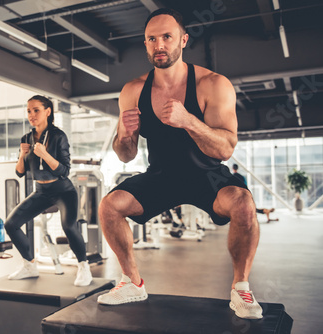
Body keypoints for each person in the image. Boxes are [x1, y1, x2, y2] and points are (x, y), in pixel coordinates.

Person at [96, 8, 263, 319]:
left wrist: (189, 121)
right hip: (160, 176)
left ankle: (240, 286)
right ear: (145, 44)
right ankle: (132, 282)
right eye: (151, 39)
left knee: (243, 204)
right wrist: (124, 133)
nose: (159, 44)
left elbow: (225, 149)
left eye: (167, 37)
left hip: (207, 175)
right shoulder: (133, 90)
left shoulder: (213, 84)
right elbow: (125, 155)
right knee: (109, 206)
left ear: (183, 40)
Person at [4, 95, 92, 286]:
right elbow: (20, 172)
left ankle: (84, 267)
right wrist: (22, 155)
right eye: (29, 111)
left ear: (47, 112)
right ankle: (30, 265)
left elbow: (65, 171)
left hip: (63, 191)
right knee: (11, 224)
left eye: (36, 110)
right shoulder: (26, 138)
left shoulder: (59, 136)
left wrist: (44, 154)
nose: (32, 115)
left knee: (69, 226)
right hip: (41, 191)